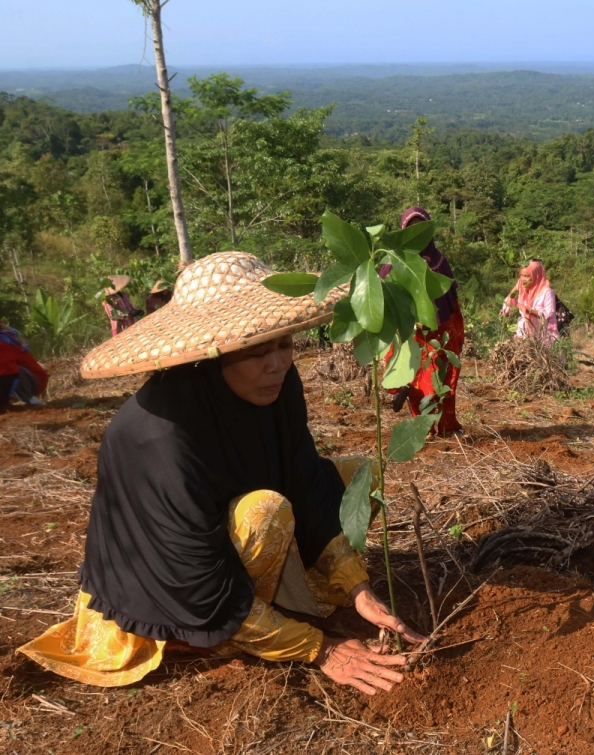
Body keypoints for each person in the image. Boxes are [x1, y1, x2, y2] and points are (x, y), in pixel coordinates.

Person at [20, 252, 425, 695]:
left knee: (354, 475)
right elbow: (194, 578)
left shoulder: (279, 384)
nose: (278, 364)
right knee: (266, 512)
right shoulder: (161, 437)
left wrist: (357, 588)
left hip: (221, 540)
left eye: (284, 344)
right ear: (215, 354)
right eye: (256, 352)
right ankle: (217, 638)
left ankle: (284, 601)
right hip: (167, 583)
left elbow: (305, 478)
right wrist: (320, 649)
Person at [382, 206, 464, 436]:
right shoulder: (395, 260)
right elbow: (385, 291)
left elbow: (451, 297)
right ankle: (422, 429)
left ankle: (447, 426)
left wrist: (456, 329)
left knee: (443, 378)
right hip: (411, 332)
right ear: (403, 231)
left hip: (440, 332)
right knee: (418, 380)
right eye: (411, 228)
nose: (417, 232)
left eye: (422, 227)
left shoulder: (439, 261)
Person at [500, 260, 558, 345]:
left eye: (527, 276)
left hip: (543, 336)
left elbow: (549, 314)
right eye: (521, 276)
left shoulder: (547, 292)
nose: (523, 279)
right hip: (524, 333)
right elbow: (509, 301)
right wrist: (516, 287)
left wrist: (530, 310)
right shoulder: (522, 289)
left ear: (536, 276)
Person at [0, 322, 49, 412]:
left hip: (32, 380)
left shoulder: (3, 343)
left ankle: (30, 399)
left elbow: (6, 369)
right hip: (10, 378)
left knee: (10, 370)